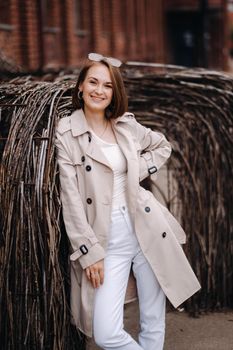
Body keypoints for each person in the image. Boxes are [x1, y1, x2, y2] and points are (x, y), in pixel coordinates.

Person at [55, 53, 201, 350]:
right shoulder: (67, 132)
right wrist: (89, 252)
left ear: (114, 92)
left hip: (145, 225)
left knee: (152, 319)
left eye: (107, 85)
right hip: (106, 240)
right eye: (93, 82)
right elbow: (70, 199)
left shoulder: (125, 125)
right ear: (80, 87)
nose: (99, 90)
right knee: (106, 332)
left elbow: (162, 146)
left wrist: (138, 169)